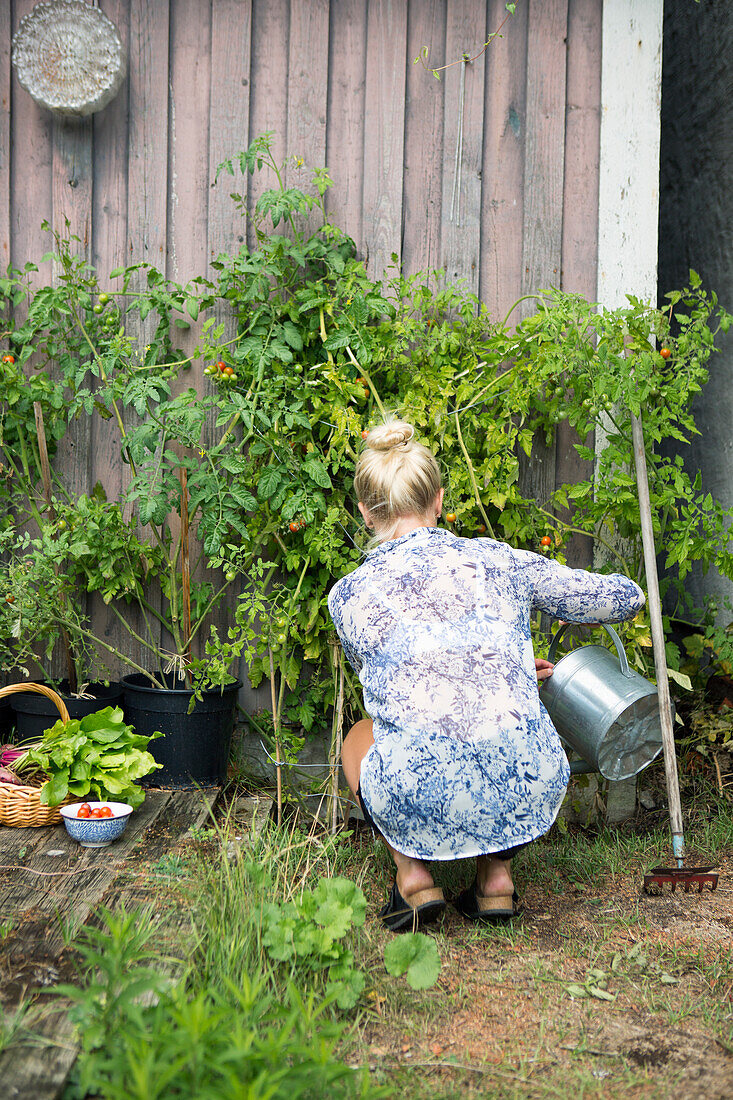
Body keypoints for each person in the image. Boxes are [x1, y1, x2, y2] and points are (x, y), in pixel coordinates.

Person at [328, 421, 645, 931]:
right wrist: (508, 670)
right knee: (502, 729)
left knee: (359, 738)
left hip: (418, 788)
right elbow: (624, 599)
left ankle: (413, 877)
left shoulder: (347, 595)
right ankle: (496, 883)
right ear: (438, 498)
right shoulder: (500, 561)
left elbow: (390, 682)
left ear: (365, 512)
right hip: (529, 783)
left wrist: (494, 669)